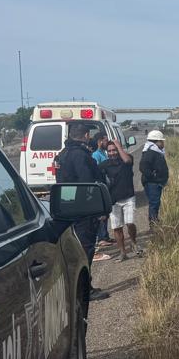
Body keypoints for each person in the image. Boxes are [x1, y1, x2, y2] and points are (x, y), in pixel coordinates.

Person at [53, 121, 108, 298]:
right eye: (88, 135)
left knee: (75, 250)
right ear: (85, 136)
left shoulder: (63, 154)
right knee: (86, 250)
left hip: (68, 208)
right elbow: (88, 186)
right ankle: (85, 290)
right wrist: (98, 210)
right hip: (83, 211)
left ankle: (79, 288)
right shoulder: (80, 156)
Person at [140, 130, 169, 223]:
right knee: (154, 203)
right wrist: (154, 176)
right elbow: (143, 167)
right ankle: (153, 222)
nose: (163, 143)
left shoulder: (155, 151)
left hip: (155, 183)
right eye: (161, 141)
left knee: (155, 202)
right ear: (156, 141)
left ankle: (154, 220)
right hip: (152, 183)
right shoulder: (150, 152)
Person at [91, 134, 111, 246]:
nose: (107, 142)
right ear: (99, 142)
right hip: (100, 186)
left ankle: (105, 236)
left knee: (106, 212)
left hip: (105, 186)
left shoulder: (103, 153)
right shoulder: (96, 155)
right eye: (105, 140)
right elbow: (97, 171)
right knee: (101, 214)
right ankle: (101, 237)